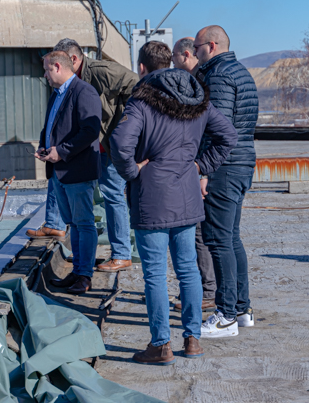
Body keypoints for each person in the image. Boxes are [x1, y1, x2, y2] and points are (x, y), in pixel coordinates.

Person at [110, 41, 237, 364]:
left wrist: (132, 172)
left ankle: (161, 345)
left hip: (152, 196)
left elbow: (120, 142)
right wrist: (199, 166)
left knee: (155, 273)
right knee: (188, 269)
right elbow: (228, 136)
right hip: (187, 194)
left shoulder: (142, 100)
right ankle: (192, 340)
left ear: (142, 67)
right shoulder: (196, 96)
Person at [28, 38, 138, 272]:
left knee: (112, 195)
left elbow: (137, 87)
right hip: (85, 150)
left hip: (107, 145)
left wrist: (123, 125)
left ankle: (121, 254)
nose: (46, 75)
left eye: (50, 67)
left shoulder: (101, 72)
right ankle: (56, 226)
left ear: (72, 60)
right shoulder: (61, 88)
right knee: (58, 181)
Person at [193, 25, 259, 338]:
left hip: (223, 167)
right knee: (231, 238)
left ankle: (226, 316)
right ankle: (242, 310)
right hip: (241, 163)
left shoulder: (218, 76)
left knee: (218, 240)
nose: (195, 54)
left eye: (197, 48)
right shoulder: (241, 72)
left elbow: (216, 128)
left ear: (212, 45)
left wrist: (204, 170)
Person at [36, 51, 102, 295]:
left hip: (77, 170)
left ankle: (85, 275)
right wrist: (44, 147)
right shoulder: (57, 94)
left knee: (84, 223)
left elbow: (90, 130)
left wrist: (61, 152)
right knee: (73, 223)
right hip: (59, 171)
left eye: (46, 69)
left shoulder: (84, 92)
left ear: (57, 66)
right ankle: (77, 271)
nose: (44, 75)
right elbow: (51, 127)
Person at [172, 37, 217, 313]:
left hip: (199, 169)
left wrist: (202, 171)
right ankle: (201, 288)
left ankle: (207, 291)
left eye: (174, 58)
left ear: (186, 55)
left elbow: (207, 132)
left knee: (199, 234)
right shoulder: (197, 80)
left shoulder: (199, 83)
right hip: (197, 166)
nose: (172, 63)